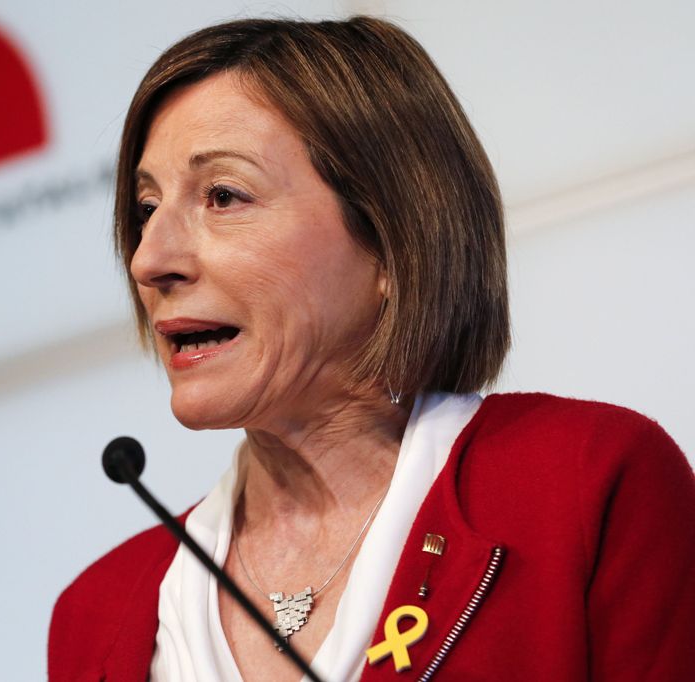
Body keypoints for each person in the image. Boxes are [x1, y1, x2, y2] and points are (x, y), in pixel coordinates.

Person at [48, 16, 694, 682]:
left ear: (391, 240)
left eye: (223, 196)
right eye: (146, 208)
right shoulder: (96, 615)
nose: (150, 259)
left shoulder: (582, 486)